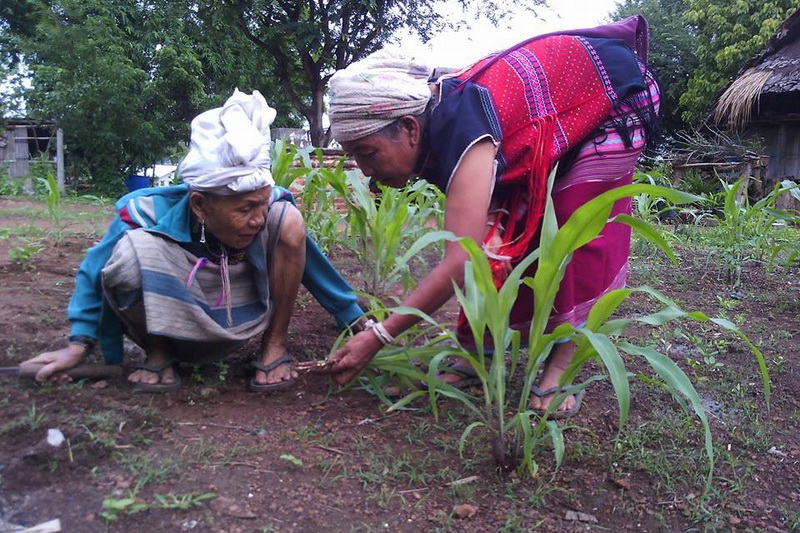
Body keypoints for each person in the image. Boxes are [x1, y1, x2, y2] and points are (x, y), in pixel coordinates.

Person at [324, 16, 661, 418]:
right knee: (500, 235)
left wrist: (378, 335)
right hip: (538, 128)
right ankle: (478, 351)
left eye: (367, 152)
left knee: (575, 230)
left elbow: (458, 259)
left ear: (410, 129)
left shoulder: (461, 127)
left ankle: (562, 363)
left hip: (610, 98)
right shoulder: (435, 134)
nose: (363, 170)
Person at [23, 89, 365, 392]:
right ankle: (160, 353)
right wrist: (78, 344)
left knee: (288, 219)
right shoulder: (143, 212)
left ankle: (274, 346)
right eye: (245, 208)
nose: (258, 219)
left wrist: (353, 318)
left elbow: (309, 259)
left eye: (261, 203)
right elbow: (94, 271)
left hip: (242, 315)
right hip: (168, 321)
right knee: (131, 251)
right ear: (200, 205)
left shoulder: (269, 210)